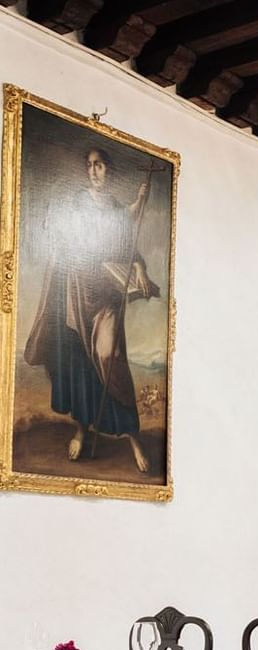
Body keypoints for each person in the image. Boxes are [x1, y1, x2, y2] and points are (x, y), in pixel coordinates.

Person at [24, 146, 157, 473]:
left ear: (109, 171)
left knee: (111, 357)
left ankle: (131, 435)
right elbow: (62, 240)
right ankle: (82, 430)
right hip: (77, 290)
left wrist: (138, 265)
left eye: (100, 165)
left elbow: (127, 245)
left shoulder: (114, 209)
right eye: (90, 166)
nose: (94, 171)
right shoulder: (75, 204)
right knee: (81, 361)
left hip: (106, 293)